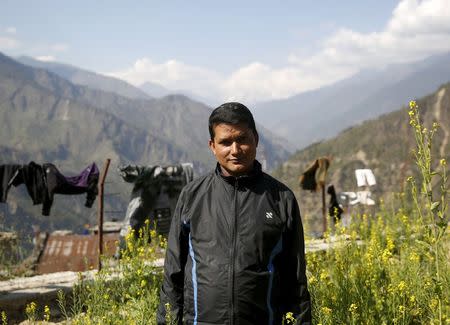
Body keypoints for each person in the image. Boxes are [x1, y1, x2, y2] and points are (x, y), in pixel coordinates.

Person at [157, 102, 311, 324]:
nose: (235, 150)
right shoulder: (192, 196)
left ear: (255, 139)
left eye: (242, 139)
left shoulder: (281, 199)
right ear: (212, 146)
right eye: (225, 142)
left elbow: (295, 279)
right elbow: (173, 274)